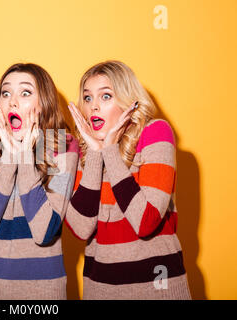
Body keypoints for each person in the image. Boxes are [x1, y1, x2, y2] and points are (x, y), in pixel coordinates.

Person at [65, 60, 192, 299]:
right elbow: (81, 229)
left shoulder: (155, 132)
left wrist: (110, 151)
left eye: (105, 97)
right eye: (88, 98)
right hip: (101, 289)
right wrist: (94, 152)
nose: (93, 107)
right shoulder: (82, 151)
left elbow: (145, 221)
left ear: (127, 101)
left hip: (156, 289)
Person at [0, 63, 79, 299]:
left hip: (43, 292)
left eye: (25, 92)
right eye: (5, 93)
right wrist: (9, 159)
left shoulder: (63, 144)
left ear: (44, 102)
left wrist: (25, 156)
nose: (12, 101)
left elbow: (44, 231)